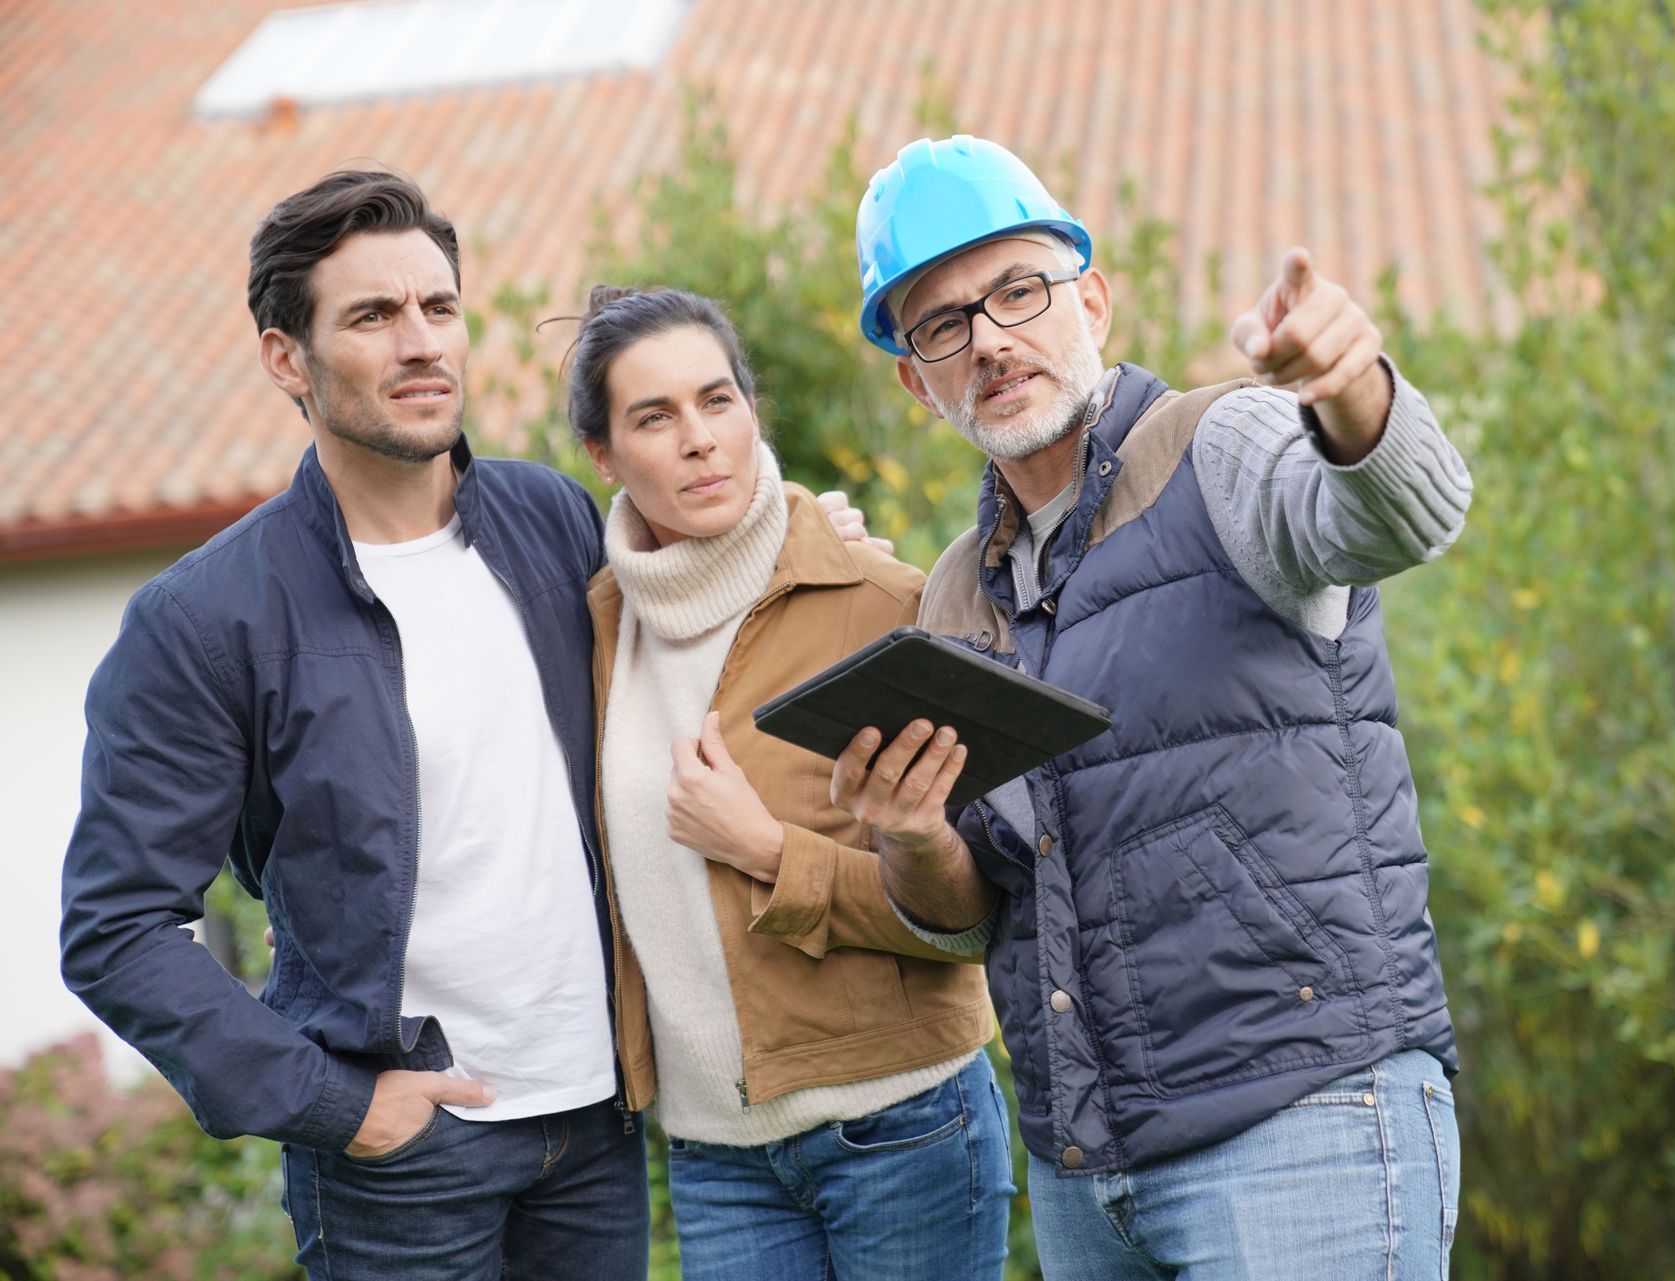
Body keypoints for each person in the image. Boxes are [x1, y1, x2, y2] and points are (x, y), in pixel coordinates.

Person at [55, 170, 881, 1281]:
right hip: (402, 1159)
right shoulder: (207, 620)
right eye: (373, 317)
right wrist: (334, 1103)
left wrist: (816, 545)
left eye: (439, 309)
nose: (421, 344)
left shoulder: (550, 519)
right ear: (284, 359)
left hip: (598, 1122)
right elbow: (117, 929)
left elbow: (698, 624)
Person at [830, 135, 1475, 1279]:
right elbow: (972, 916)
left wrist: (1351, 388)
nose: (988, 339)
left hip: (1303, 1126)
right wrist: (913, 834)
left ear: (1093, 298)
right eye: (941, 324)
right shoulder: (951, 597)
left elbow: (1398, 519)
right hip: (1090, 1182)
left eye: (1016, 292)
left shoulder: (1221, 445)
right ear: (914, 378)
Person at [567, 284, 1013, 1281]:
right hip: (714, 1154)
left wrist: (768, 851)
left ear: (752, 410)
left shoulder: (886, 607)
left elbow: (972, 914)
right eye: (654, 416)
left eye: (718, 400)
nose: (698, 440)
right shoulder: (594, 631)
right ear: (603, 455)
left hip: (899, 1125)